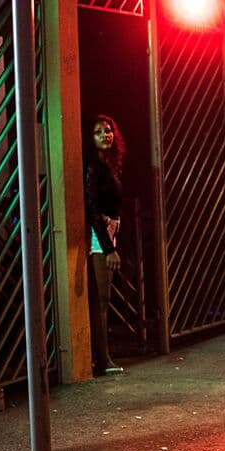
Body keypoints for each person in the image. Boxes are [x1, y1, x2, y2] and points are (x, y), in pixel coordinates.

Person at [83, 114, 125, 376]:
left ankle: (104, 356)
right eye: (98, 131)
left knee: (104, 298)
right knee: (100, 299)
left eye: (108, 130)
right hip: (100, 235)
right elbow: (92, 208)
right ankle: (102, 359)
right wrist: (108, 247)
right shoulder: (93, 168)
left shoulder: (109, 165)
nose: (105, 135)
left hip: (109, 231)